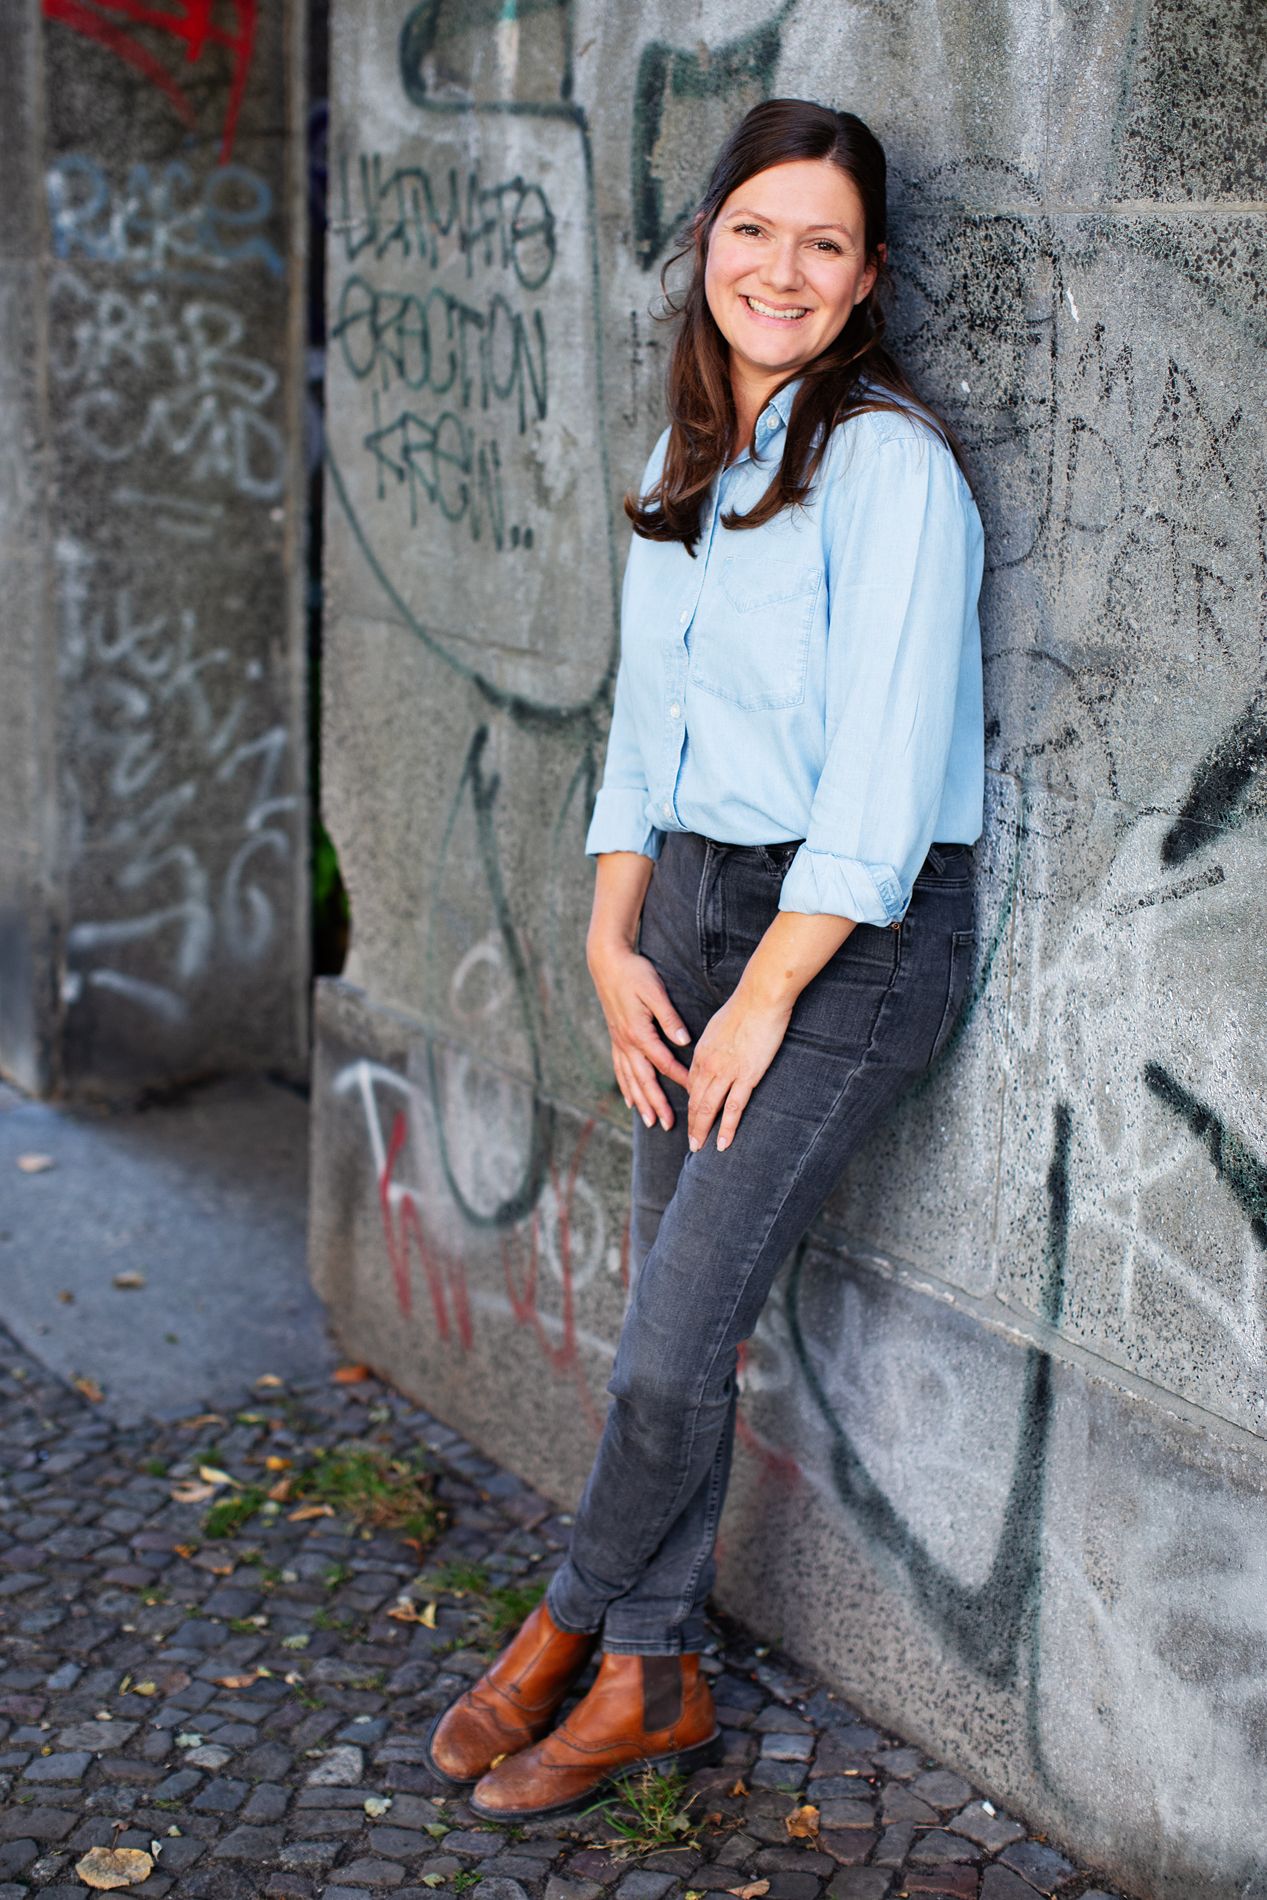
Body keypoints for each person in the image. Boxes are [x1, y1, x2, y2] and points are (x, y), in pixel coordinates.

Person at [424, 97, 984, 1821]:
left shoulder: (890, 468)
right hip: (687, 909)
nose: (783, 270)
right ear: (707, 244)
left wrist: (765, 996)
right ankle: (655, 1672)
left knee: (669, 1348)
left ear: (869, 278)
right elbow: (644, 733)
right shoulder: (688, 464)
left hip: (845, 946)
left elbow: (882, 791)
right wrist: (612, 933)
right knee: (677, 1314)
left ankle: (568, 1618)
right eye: (756, 230)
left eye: (826, 243)